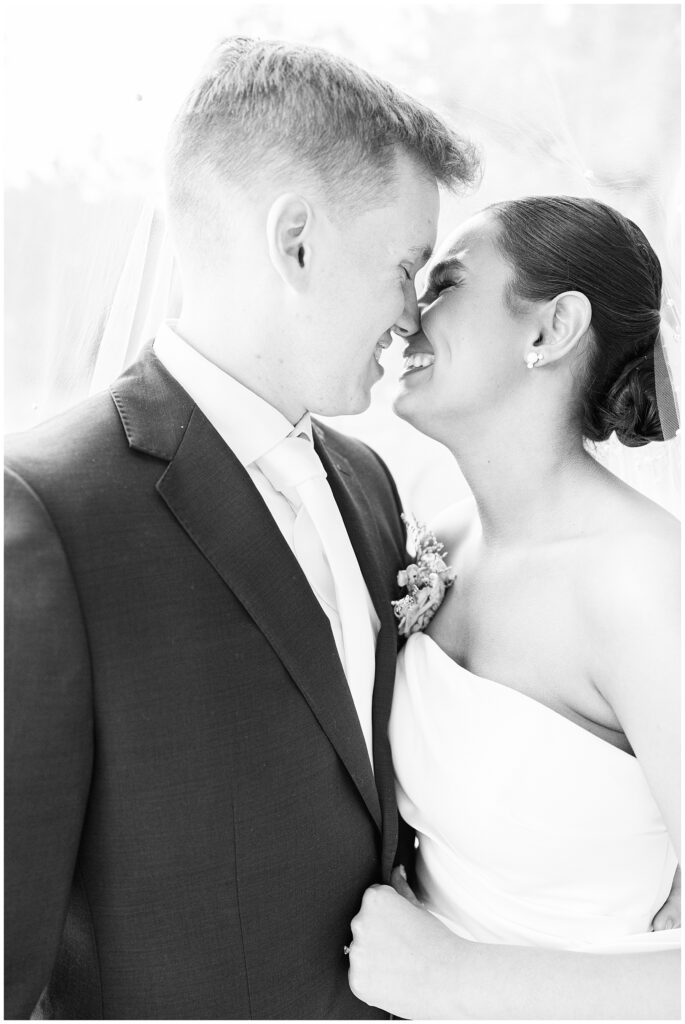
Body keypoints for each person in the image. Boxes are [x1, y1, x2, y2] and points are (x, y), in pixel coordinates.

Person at [4, 37, 479, 1019]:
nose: (411, 316)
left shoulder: (370, 482)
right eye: (404, 267)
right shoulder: (46, 506)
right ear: (296, 241)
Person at [347, 196, 681, 1019]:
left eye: (444, 284)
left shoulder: (641, 584)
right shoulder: (442, 541)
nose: (404, 320)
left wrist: (450, 979)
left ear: (551, 327)